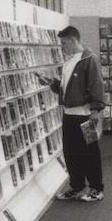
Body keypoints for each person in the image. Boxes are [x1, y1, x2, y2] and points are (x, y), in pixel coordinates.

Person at [42, 26, 106, 202]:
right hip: (69, 115)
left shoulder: (89, 59)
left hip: (86, 115)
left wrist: (95, 110)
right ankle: (76, 185)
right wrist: (52, 84)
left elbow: (97, 85)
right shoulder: (69, 62)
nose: (62, 47)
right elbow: (66, 89)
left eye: (63, 43)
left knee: (90, 152)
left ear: (72, 40)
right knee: (71, 152)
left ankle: (96, 188)